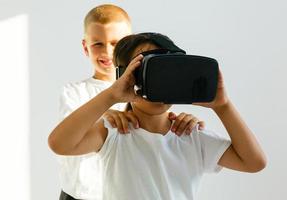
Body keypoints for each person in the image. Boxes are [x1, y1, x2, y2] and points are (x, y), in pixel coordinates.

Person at [49, 32, 267, 200]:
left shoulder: (190, 135)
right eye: (149, 72)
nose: (161, 85)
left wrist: (223, 106)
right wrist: (110, 96)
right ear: (126, 76)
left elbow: (254, 162)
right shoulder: (113, 131)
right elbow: (60, 144)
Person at [57, 4, 204, 200]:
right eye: (97, 44)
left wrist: (180, 122)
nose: (107, 51)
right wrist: (105, 117)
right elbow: (69, 138)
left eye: (115, 43)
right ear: (85, 47)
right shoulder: (74, 92)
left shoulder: (145, 92)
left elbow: (156, 129)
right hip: (79, 195)